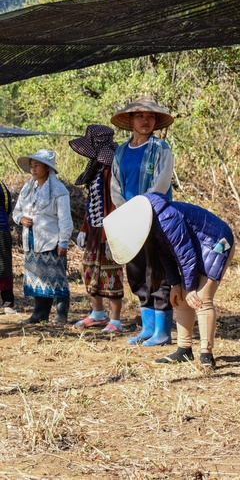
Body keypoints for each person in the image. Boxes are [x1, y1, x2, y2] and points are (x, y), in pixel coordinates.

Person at [103, 193, 234, 369]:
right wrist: (175, 284)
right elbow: (166, 255)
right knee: (179, 297)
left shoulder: (167, 218)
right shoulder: (151, 225)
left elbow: (185, 254)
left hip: (216, 241)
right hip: (196, 248)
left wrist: (191, 287)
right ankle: (184, 350)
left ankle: (206, 354)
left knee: (201, 298)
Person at [110, 98, 175, 346]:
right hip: (129, 220)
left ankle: (163, 331)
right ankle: (147, 328)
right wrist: (125, 210)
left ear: (156, 122)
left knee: (158, 270)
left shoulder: (161, 148)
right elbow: (115, 185)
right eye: (139, 116)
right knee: (137, 271)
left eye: (150, 117)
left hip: (155, 217)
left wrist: (143, 207)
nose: (145, 121)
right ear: (130, 121)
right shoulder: (121, 152)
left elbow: (162, 182)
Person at [70, 125, 124, 333]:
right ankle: (97, 313)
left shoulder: (111, 170)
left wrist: (112, 235)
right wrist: (84, 228)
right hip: (93, 229)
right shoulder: (95, 169)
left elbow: (113, 203)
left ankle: (115, 319)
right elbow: (91, 201)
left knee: (111, 272)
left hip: (108, 230)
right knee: (90, 269)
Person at [12, 149, 73, 324]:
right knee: (38, 277)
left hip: (51, 240)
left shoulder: (59, 190)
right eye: (31, 166)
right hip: (31, 239)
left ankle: (61, 314)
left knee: (57, 278)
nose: (33, 169)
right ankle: (39, 314)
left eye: (37, 165)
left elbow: (65, 218)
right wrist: (21, 219)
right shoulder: (28, 188)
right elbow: (17, 211)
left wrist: (63, 241)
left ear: (47, 168)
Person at [0, 179, 15, 314]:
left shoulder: (2, 186)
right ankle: (7, 303)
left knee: (4, 266)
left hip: (1, 228)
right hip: (2, 228)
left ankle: (8, 302)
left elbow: (7, 207)